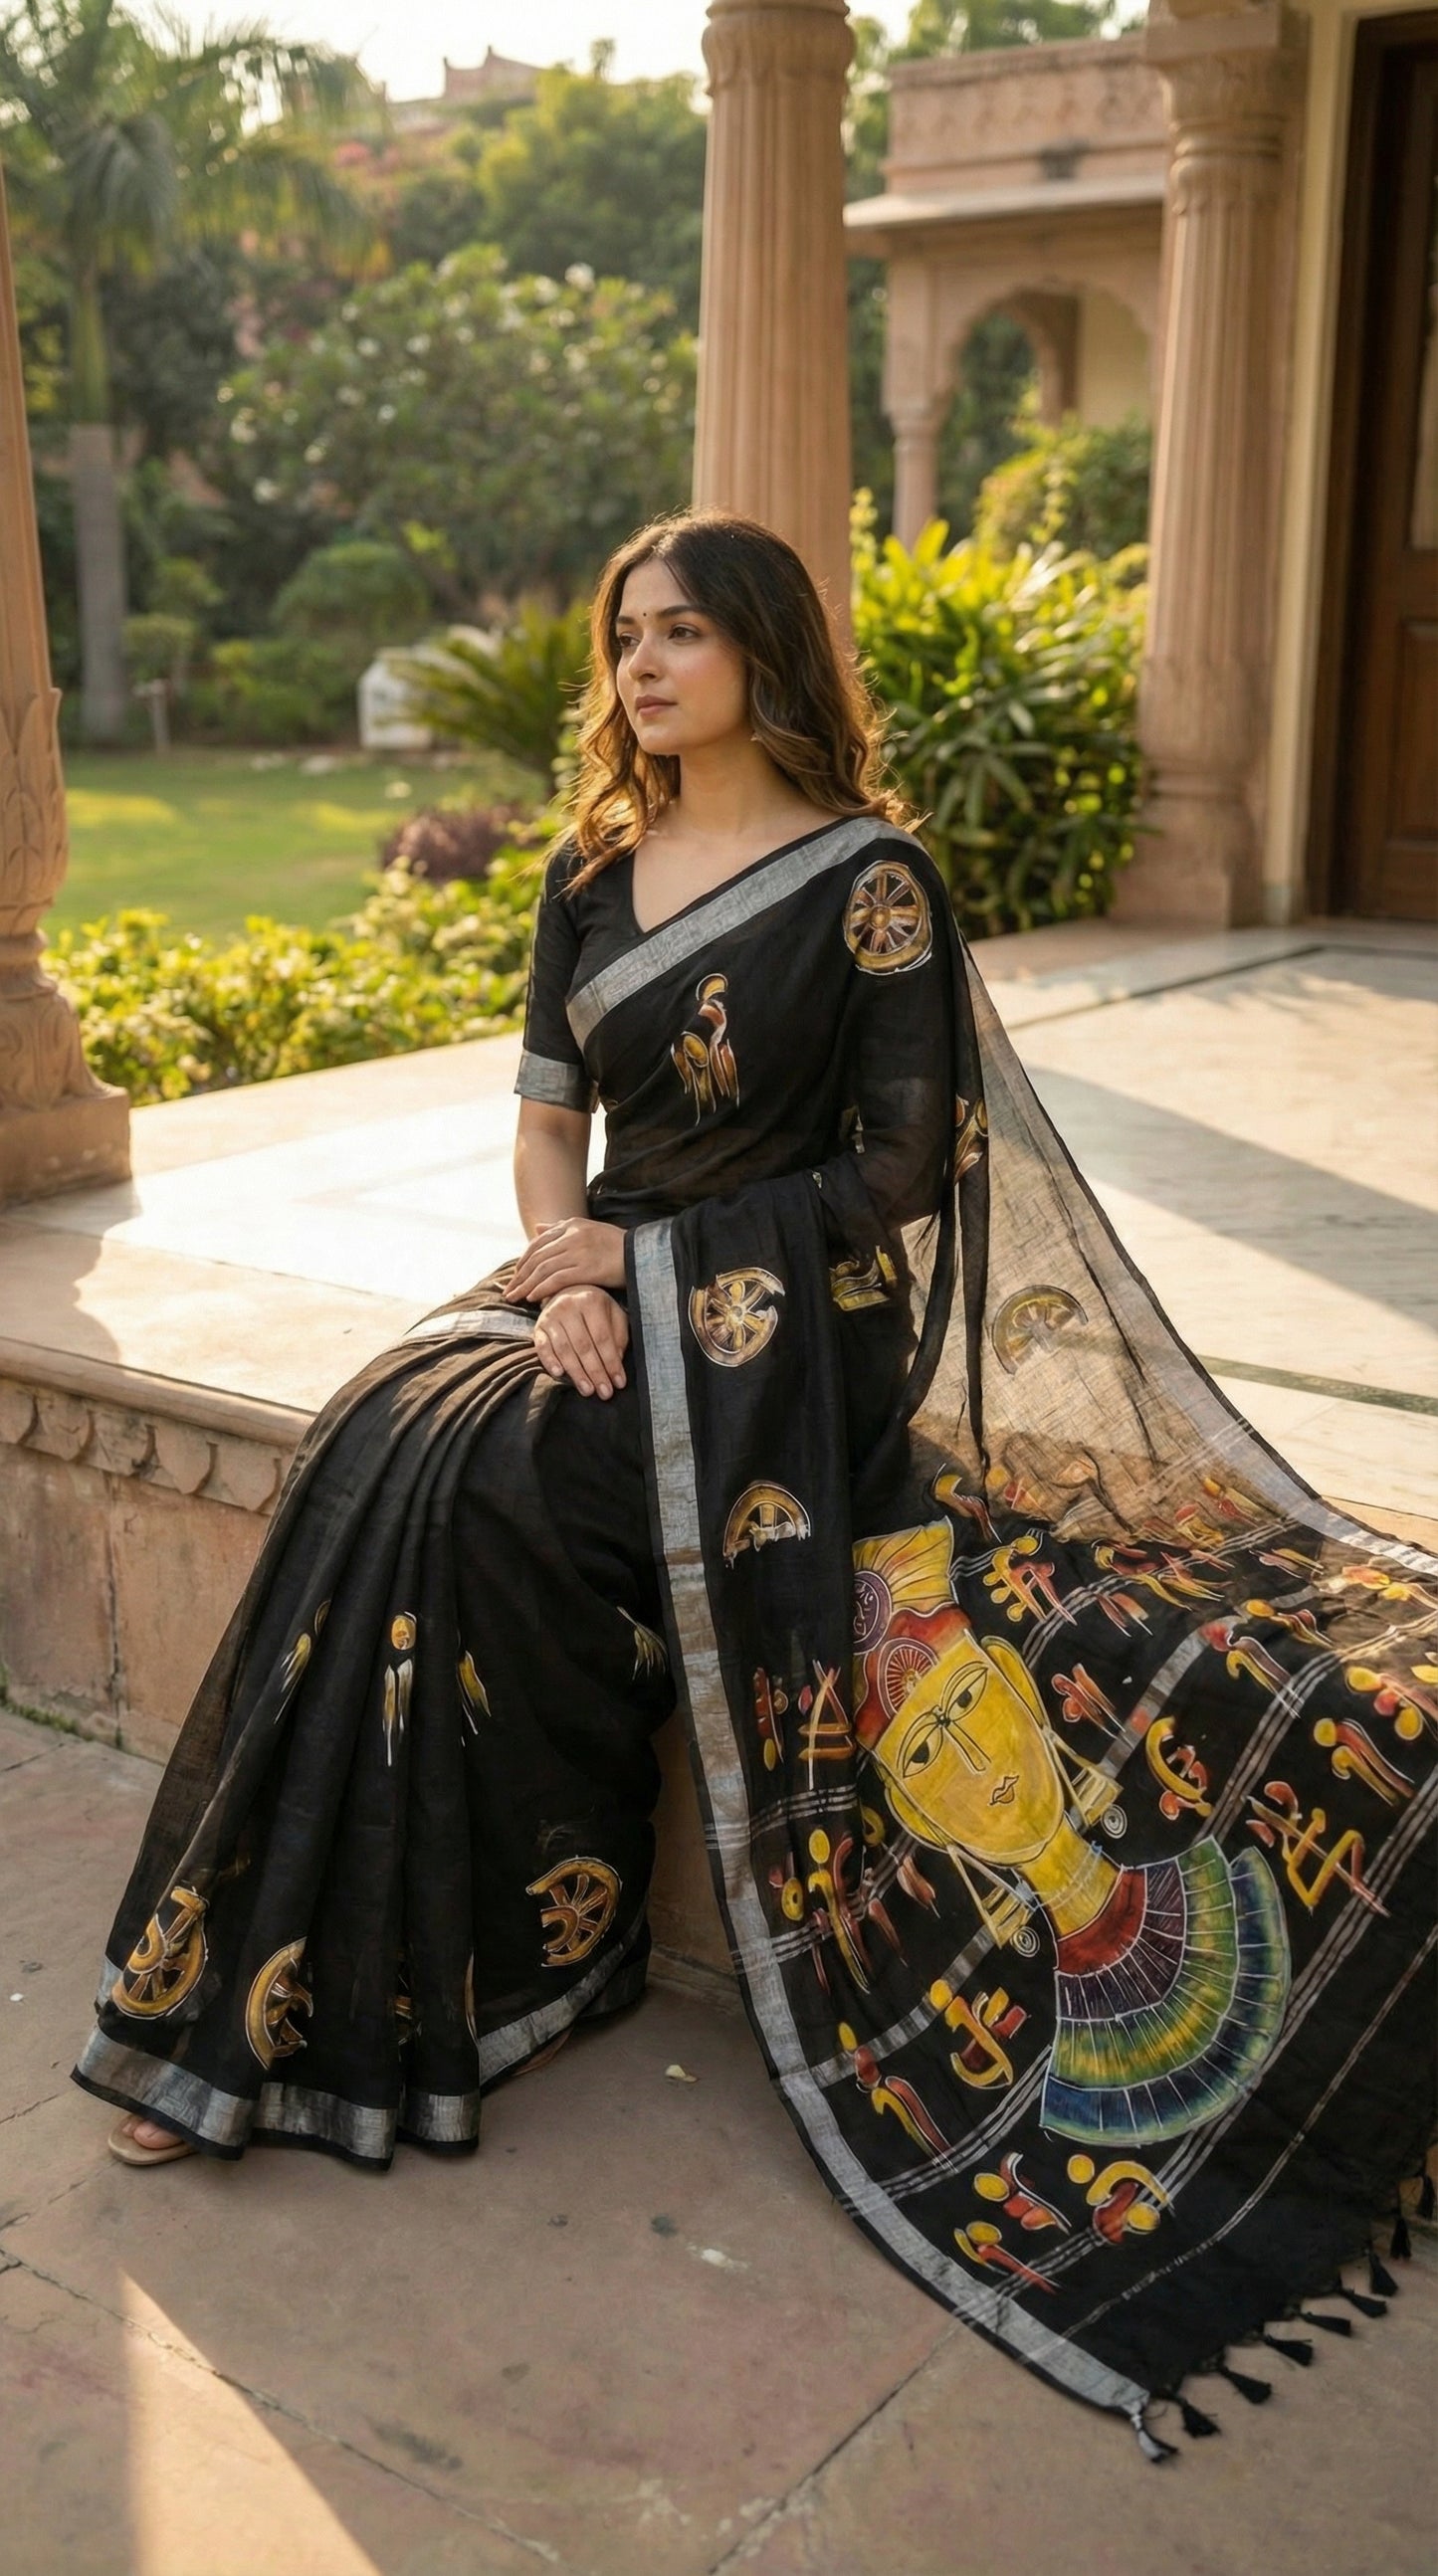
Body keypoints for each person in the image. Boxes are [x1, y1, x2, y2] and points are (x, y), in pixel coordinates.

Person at [75, 510, 1436, 2447]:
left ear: (766, 652)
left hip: (800, 1325)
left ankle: (443, 1963)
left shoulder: (870, 883)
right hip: (606, 1282)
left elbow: (900, 1167)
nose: (641, 665)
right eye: (627, 634)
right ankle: (418, 1966)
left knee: (499, 1480)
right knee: (394, 1428)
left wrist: (639, 1267)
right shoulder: (593, 869)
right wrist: (561, 1270)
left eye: (684, 631)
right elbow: (550, 1129)